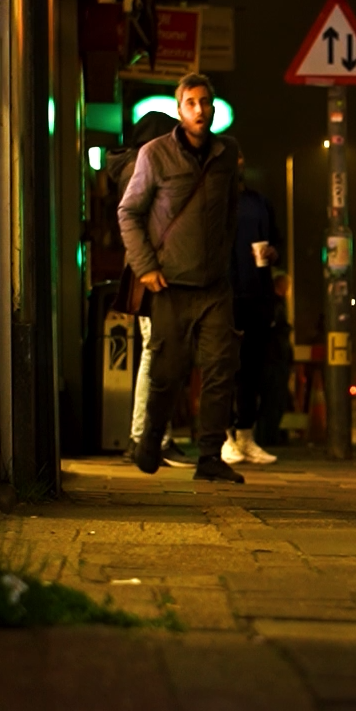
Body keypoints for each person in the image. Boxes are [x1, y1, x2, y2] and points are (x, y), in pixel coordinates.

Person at [118, 73, 248, 483]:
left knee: (219, 369)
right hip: (170, 286)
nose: (200, 110)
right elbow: (129, 212)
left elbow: (230, 210)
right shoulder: (156, 154)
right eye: (191, 102)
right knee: (166, 372)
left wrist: (223, 259)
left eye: (206, 102)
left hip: (214, 286)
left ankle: (209, 456)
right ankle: (149, 442)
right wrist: (146, 267)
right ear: (179, 109)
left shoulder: (227, 154)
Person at [111, 110, 194, 467]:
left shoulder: (133, 165)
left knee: (158, 352)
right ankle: (148, 438)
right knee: (157, 353)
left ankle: (151, 436)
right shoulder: (142, 167)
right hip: (154, 272)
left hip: (149, 270)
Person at [222, 155, 283, 465]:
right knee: (223, 370)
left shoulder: (259, 202)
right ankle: (225, 437)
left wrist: (272, 252)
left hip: (257, 297)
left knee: (252, 371)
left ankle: (246, 435)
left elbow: (276, 241)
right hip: (224, 298)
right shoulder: (213, 202)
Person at [253, 271, 295, 446]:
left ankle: (269, 435)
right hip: (274, 358)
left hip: (273, 357)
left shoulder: (272, 303)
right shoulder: (274, 305)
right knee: (273, 399)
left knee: (273, 400)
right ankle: (269, 436)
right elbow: (275, 331)